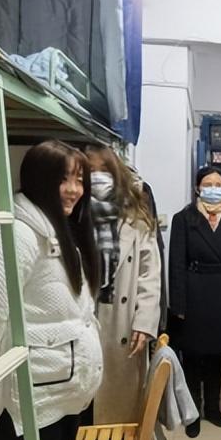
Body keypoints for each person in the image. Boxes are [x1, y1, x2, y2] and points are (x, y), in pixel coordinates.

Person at [0, 140, 103, 440]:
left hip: (59, 398)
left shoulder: (58, 233)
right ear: (38, 179)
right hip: (23, 409)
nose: (74, 190)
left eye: (79, 180)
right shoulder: (11, 240)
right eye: (63, 179)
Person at [85, 145, 162, 424]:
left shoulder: (135, 214)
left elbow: (149, 273)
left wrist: (145, 321)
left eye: (104, 170)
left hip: (122, 320)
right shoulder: (73, 212)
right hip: (86, 314)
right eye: (90, 170)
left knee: (117, 405)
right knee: (82, 401)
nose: (97, 177)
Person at [168, 166, 221, 438]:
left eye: (218, 184)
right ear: (197, 188)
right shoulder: (183, 218)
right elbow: (176, 264)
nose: (213, 189)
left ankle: (213, 407)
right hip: (194, 290)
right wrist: (178, 304)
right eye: (207, 184)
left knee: (215, 354)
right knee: (192, 355)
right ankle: (193, 412)